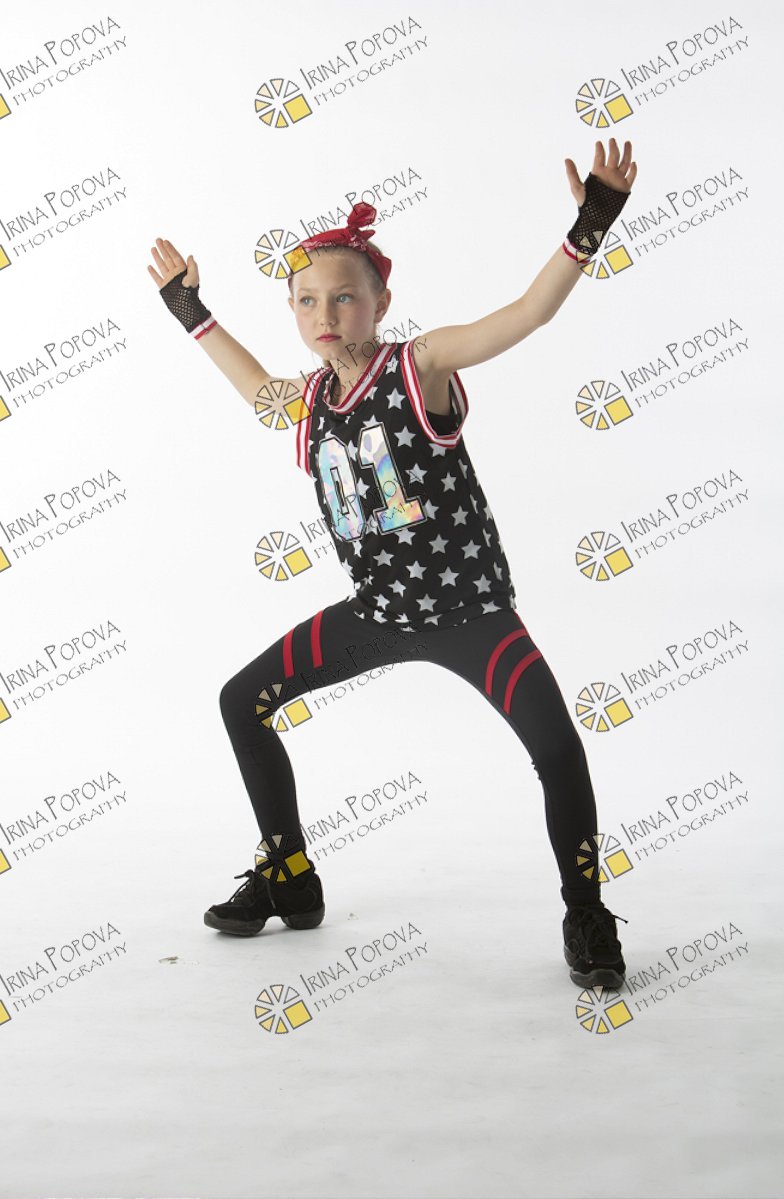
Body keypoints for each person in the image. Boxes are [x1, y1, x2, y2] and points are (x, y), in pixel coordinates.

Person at [148, 137, 637, 990]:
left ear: (380, 303)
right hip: (377, 613)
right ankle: (289, 875)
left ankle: (586, 911)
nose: (326, 313)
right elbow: (254, 385)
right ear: (293, 311)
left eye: (345, 297)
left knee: (558, 749)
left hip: (472, 617)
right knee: (241, 701)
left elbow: (527, 314)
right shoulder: (309, 399)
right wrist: (191, 309)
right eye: (308, 301)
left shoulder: (420, 366)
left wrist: (590, 222)